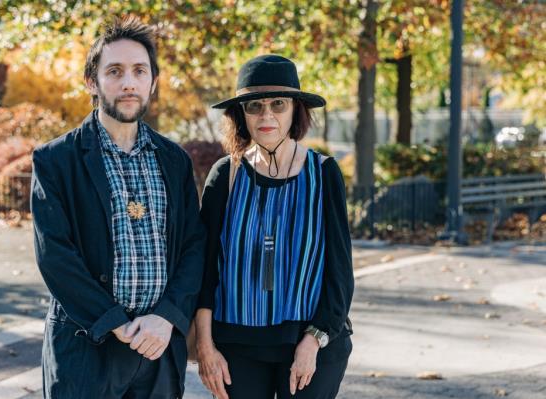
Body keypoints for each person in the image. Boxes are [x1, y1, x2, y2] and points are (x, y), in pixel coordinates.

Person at [31, 16, 205, 398]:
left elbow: (194, 246)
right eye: (115, 71)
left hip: (157, 350)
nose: (128, 82)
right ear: (92, 82)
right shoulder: (56, 160)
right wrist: (113, 322)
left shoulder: (174, 160)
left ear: (153, 83)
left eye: (139, 71)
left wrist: (167, 317)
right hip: (86, 347)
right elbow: (56, 256)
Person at [194, 54, 355, 399]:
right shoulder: (226, 175)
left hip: (311, 339)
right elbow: (204, 271)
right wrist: (205, 348)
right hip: (236, 343)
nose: (267, 115)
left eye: (278, 104)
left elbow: (339, 271)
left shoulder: (323, 173)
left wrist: (314, 340)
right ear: (241, 114)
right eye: (254, 106)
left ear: (296, 109)